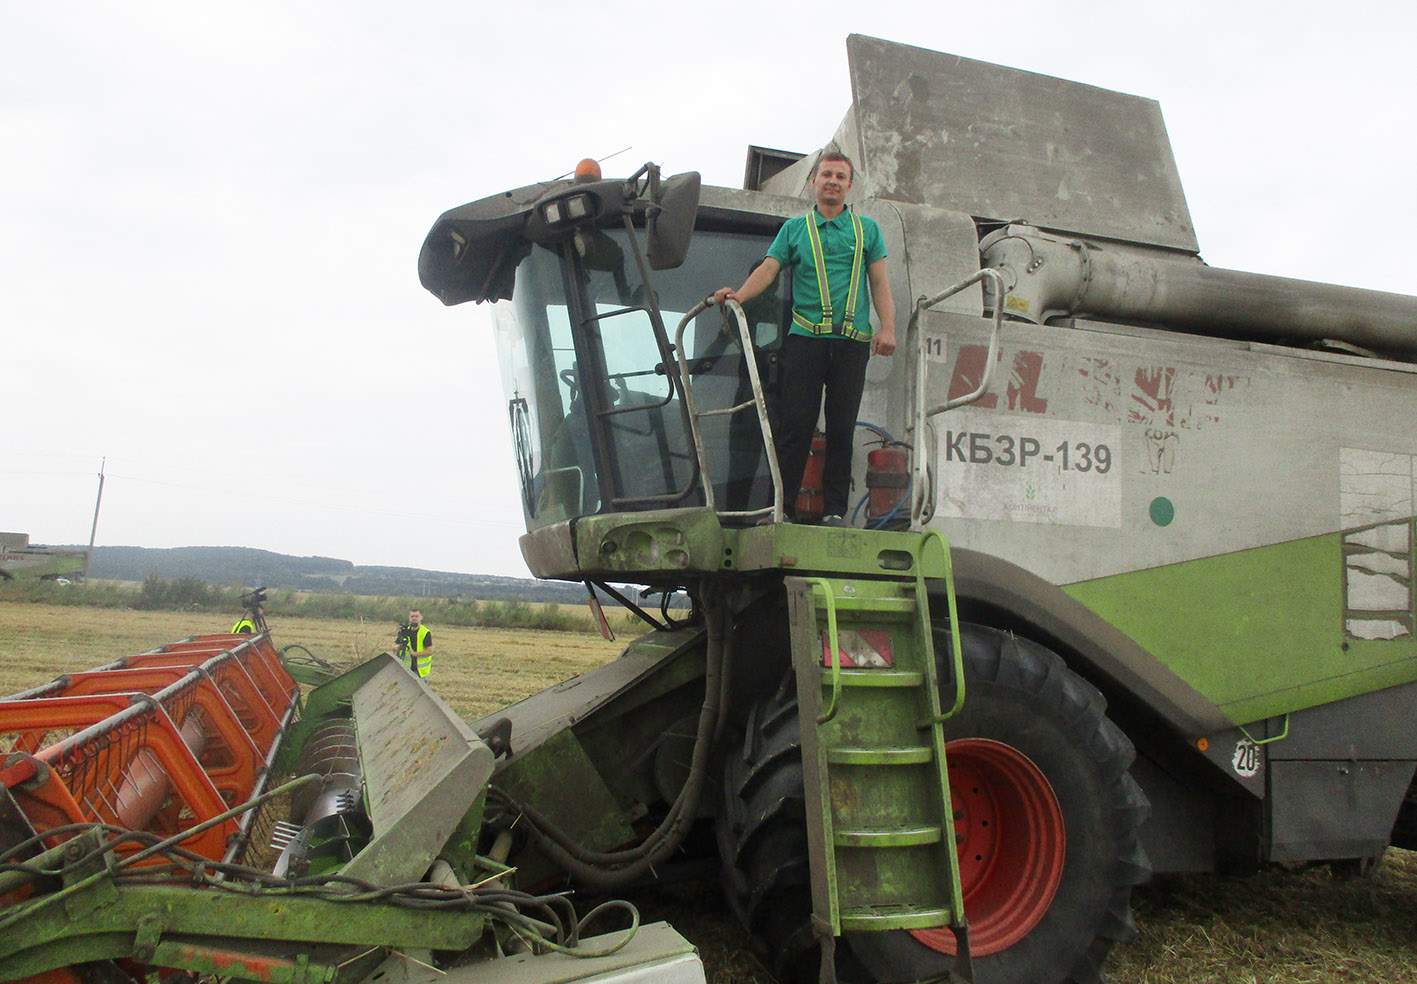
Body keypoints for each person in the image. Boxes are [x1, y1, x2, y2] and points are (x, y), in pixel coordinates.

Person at [713, 150, 895, 525]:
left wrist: (887, 328)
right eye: (826, 174)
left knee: (841, 428)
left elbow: (879, 281)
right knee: (795, 426)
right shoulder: (794, 230)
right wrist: (739, 296)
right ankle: (782, 508)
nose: (832, 181)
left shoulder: (867, 231)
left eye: (840, 176)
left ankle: (834, 510)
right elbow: (769, 268)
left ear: (849, 186)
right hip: (806, 341)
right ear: (814, 181)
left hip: (851, 343)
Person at [398, 609, 434, 678]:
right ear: (409, 618)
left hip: (421, 672)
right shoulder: (405, 631)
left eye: (416, 616)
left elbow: (430, 651)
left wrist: (414, 654)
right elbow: (394, 645)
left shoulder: (425, 632)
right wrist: (397, 647)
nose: (414, 618)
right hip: (406, 670)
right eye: (412, 616)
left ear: (421, 617)